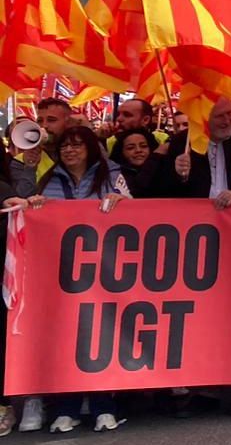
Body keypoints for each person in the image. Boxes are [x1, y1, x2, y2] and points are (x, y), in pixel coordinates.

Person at [27, 126, 127, 432]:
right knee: (67, 340)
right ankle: (67, 407)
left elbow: (136, 213)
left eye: (77, 146)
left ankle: (103, 406)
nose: (70, 151)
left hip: (104, 273)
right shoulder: (49, 180)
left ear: (90, 149)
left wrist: (122, 202)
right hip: (63, 276)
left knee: (100, 339)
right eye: (65, 147)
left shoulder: (111, 177)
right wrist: (35, 207)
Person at [109, 127, 178, 198]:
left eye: (143, 146)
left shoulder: (163, 169)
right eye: (130, 148)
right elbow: (136, 191)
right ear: (121, 152)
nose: (138, 150)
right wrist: (155, 157)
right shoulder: (115, 174)